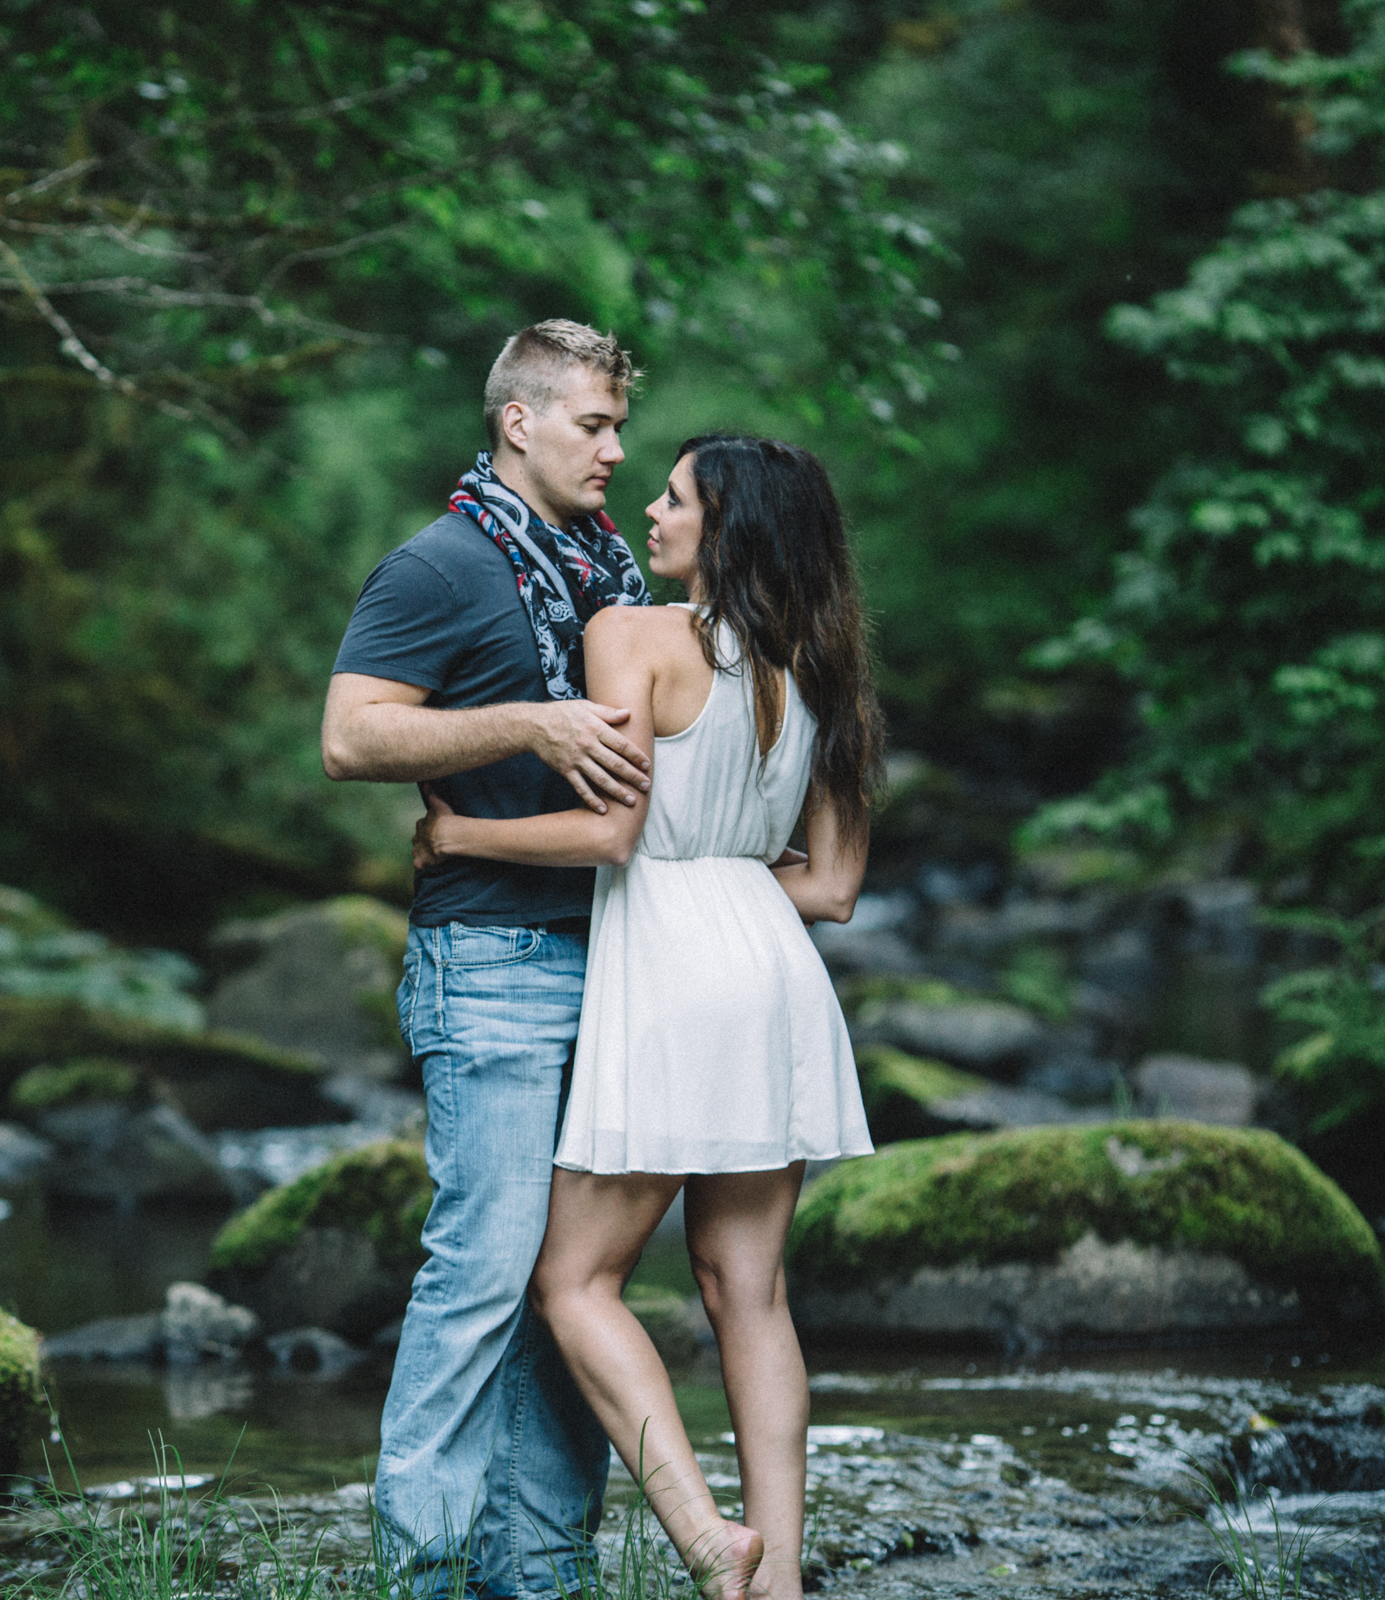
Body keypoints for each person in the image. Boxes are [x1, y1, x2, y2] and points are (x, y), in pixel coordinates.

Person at [411, 435, 881, 1600]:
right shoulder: (825, 666)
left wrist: (458, 833)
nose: (649, 515)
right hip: (774, 975)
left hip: (671, 975)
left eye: (673, 499)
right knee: (751, 1290)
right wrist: (725, 869)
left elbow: (610, 834)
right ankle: (780, 1580)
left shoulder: (630, 637)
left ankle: (702, 1534)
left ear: (724, 526)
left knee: (572, 1282)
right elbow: (830, 888)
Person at [320, 319, 657, 1598]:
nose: (615, 449)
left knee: (570, 1289)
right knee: (482, 1273)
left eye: (620, 426)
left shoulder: (607, 569)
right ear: (519, 421)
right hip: (494, 958)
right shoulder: (439, 565)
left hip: (617, 962)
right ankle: (426, 1577)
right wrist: (532, 719)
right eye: (592, 424)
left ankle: (542, 1576)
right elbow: (351, 738)